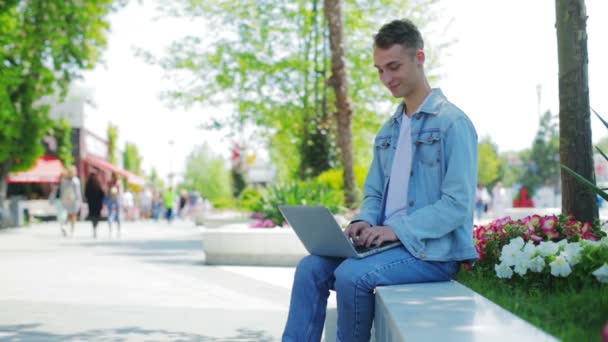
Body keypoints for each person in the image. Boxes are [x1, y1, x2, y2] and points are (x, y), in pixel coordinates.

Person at [282, 19, 478, 342]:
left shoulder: (453, 124)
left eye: (394, 67)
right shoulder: (388, 131)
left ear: (420, 58)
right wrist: (363, 221)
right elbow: (373, 193)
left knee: (350, 276)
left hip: (431, 253)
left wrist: (395, 230)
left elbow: (457, 205)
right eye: (379, 70)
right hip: (386, 246)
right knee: (310, 268)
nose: (386, 79)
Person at [59, 166, 82, 237]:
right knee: (73, 215)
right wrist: (80, 200)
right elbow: (78, 192)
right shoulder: (76, 180)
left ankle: (65, 225)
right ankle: (72, 230)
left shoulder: (64, 180)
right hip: (74, 199)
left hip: (66, 199)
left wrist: (62, 199)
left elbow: (62, 191)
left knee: (67, 214)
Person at [85, 171, 105, 238]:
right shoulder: (98, 184)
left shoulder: (88, 185)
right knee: (97, 216)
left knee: (93, 216)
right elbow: (102, 193)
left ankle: (94, 228)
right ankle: (95, 227)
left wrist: (88, 199)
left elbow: (86, 194)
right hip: (98, 203)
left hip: (91, 203)